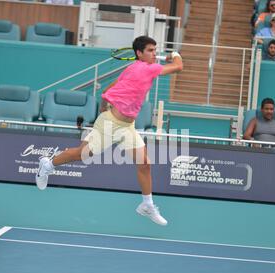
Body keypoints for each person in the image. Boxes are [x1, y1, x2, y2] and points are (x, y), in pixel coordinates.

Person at [35, 36, 183, 226]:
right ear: (139, 53)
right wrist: (175, 54)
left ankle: (147, 205)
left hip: (127, 127)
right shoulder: (148, 68)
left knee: (144, 164)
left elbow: (110, 87)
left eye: (155, 50)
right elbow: (179, 66)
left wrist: (104, 104)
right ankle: (47, 164)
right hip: (110, 123)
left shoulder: (131, 69)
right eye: (150, 50)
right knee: (81, 155)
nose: (154, 54)